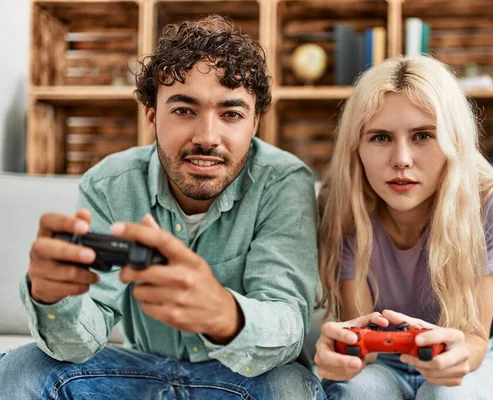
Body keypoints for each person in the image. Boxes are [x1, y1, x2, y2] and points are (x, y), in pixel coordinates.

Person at [0, 16, 324, 400]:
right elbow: (78, 344)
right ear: (151, 115)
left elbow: (288, 324)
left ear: (255, 123)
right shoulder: (108, 183)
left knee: (288, 387)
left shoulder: (283, 181)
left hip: (243, 378)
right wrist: (50, 298)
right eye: (184, 110)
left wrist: (224, 315)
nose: (207, 137)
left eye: (231, 114)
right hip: (141, 371)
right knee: (20, 368)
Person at [313, 55, 493, 400]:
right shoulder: (342, 207)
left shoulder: (490, 204)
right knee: (356, 392)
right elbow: (362, 337)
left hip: (471, 362)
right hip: (383, 365)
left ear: (453, 142)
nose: (401, 159)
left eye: (423, 135)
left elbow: (474, 338)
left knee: (446, 396)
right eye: (381, 137)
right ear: (357, 148)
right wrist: (346, 355)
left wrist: (457, 357)